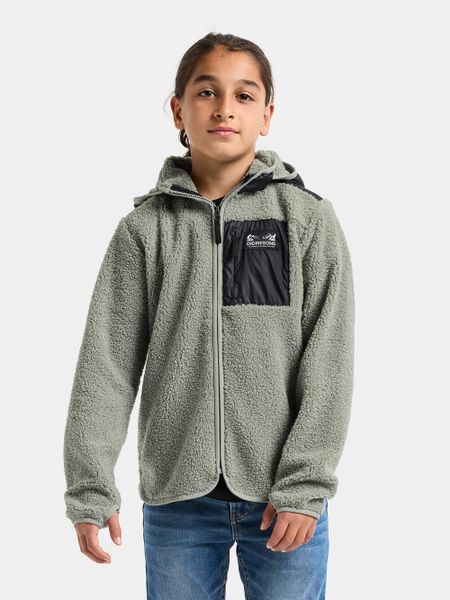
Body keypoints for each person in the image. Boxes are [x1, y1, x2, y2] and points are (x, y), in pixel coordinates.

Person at [63, 31, 355, 600]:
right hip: (178, 501)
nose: (225, 108)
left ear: (267, 115)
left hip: (283, 502)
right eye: (206, 92)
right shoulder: (145, 230)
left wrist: (304, 485)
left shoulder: (306, 220)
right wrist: (90, 489)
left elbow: (330, 361)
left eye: (244, 95)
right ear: (178, 110)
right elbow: (106, 365)